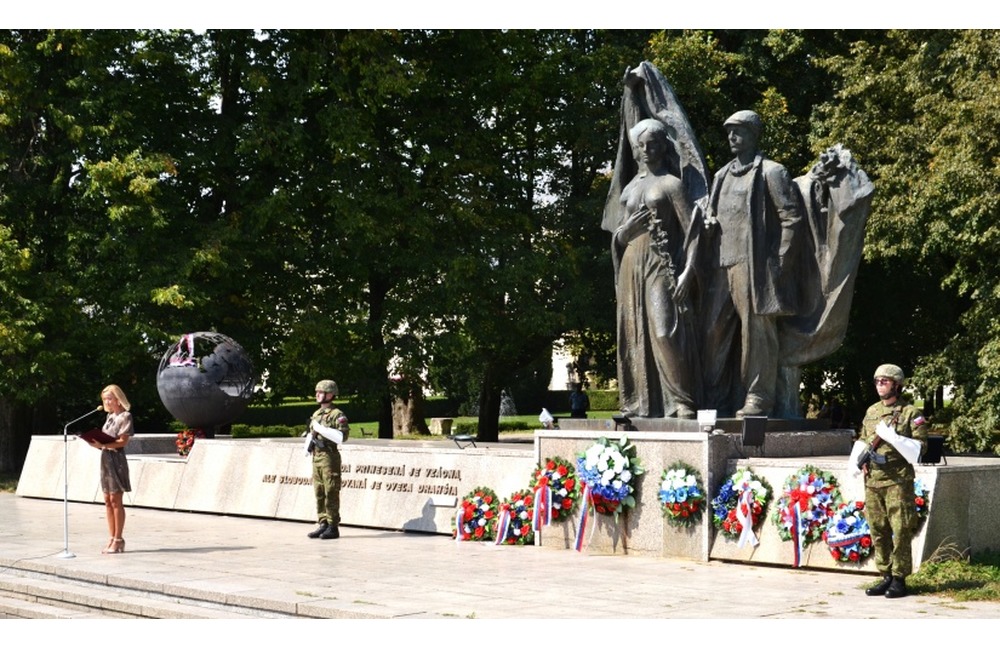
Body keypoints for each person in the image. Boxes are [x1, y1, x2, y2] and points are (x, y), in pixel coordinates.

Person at [701, 110, 803, 418]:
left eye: (739, 131)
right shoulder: (720, 176)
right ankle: (716, 398)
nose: (732, 137)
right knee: (712, 332)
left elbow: (792, 219)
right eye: (729, 131)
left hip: (755, 266)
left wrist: (778, 264)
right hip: (721, 264)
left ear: (753, 134)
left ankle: (759, 398)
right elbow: (712, 215)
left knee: (757, 334)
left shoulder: (772, 172)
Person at [609, 117, 702, 419]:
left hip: (660, 263)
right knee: (632, 332)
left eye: (654, 143)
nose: (647, 149)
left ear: (664, 146)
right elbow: (619, 236)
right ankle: (636, 402)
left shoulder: (671, 184)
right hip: (631, 263)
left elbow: (693, 231)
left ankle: (682, 401)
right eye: (642, 144)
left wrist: (689, 271)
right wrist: (626, 231)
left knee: (664, 330)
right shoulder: (631, 187)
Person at [859, 363, 928, 598]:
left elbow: (920, 449)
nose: (879, 385)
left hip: (898, 481)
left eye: (884, 381)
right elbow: (863, 439)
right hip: (873, 480)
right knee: (877, 529)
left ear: (896, 385)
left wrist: (894, 438)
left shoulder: (910, 413)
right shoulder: (872, 411)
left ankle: (899, 578)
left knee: (900, 530)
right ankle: (885, 574)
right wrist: (859, 461)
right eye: (877, 381)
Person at [85, 384, 134, 554]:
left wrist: (104, 446)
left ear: (118, 399)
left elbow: (123, 441)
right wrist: (97, 444)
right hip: (105, 459)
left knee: (115, 500)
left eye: (110, 398)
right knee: (107, 499)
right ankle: (112, 537)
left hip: (116, 460)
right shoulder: (110, 417)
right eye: (105, 398)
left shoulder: (125, 416)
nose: (107, 401)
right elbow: (106, 440)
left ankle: (119, 539)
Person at [306, 379, 350, 540]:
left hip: (329, 456)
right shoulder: (317, 414)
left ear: (330, 394)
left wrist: (322, 429)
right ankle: (322, 523)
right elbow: (312, 434)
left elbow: (342, 437)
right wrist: (307, 447)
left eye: (321, 392)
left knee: (331, 490)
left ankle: (333, 526)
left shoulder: (337, 415)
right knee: (319, 490)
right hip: (316, 456)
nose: (318, 395)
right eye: (317, 392)